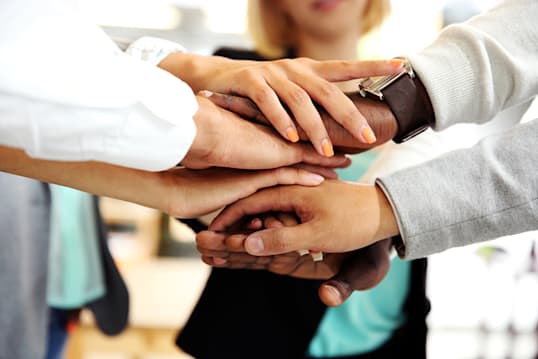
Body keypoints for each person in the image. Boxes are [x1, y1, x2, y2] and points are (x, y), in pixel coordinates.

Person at [0, 1, 403, 357]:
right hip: (260, 329)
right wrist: (199, 139)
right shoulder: (238, 73)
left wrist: (391, 220)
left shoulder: (404, 98)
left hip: (383, 326)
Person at [197, 0, 538, 309]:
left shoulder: (404, 76)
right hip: (267, 319)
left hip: (387, 321)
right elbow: (195, 184)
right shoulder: (237, 73)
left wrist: (384, 225)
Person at [178, 1, 429, 358]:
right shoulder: (236, 71)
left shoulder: (411, 93)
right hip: (262, 333)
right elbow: (191, 189)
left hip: (389, 332)